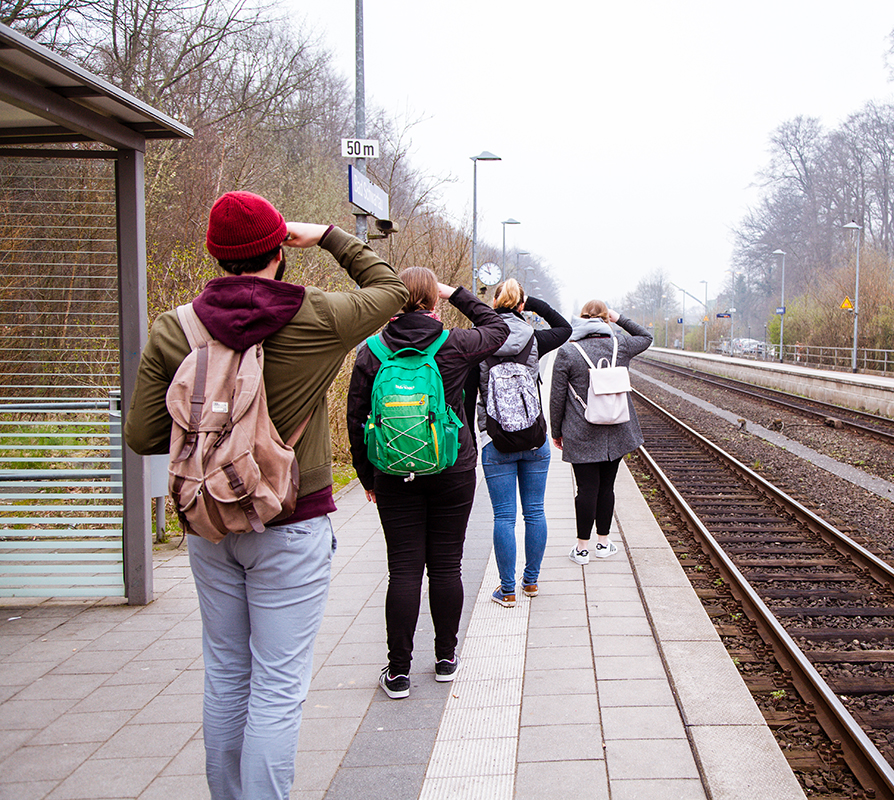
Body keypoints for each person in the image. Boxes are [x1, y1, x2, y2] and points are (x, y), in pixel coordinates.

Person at [124, 191, 409, 800]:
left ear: (214, 255)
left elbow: (143, 433)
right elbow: (393, 290)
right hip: (292, 520)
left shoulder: (176, 328)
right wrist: (330, 234)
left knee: (227, 676)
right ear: (280, 250)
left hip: (212, 519)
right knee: (279, 686)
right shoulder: (317, 315)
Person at [347, 267, 506, 700]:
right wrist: (455, 292)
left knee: (403, 569)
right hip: (452, 470)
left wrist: (369, 476)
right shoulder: (454, 344)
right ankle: (445, 660)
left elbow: (357, 418)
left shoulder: (371, 351)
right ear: (433, 301)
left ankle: (398, 673)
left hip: (393, 474)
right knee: (446, 565)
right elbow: (499, 327)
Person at [475, 279, 571, 606]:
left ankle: (507, 589)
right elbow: (564, 327)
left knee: (504, 517)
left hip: (494, 438)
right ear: (520, 306)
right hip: (534, 437)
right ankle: (530, 582)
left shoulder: (479, 340)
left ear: (492, 304)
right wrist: (532, 304)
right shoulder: (535, 338)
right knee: (534, 511)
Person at [549, 299, 652, 565]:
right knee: (607, 487)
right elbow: (646, 336)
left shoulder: (568, 352)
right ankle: (603, 543)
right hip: (617, 430)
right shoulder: (621, 346)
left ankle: (582, 549)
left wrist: (556, 430)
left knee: (586, 489)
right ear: (606, 319)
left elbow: (557, 396)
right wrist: (619, 319)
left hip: (581, 430)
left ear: (581, 319)